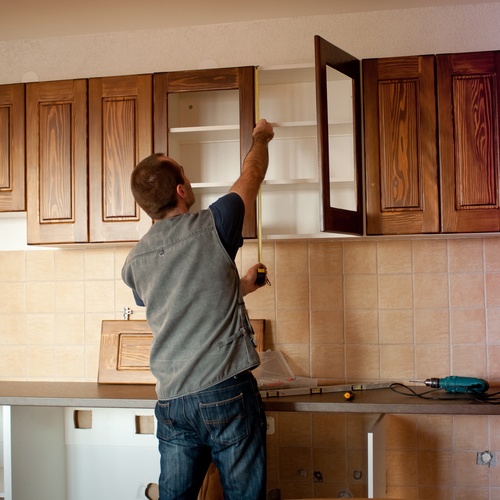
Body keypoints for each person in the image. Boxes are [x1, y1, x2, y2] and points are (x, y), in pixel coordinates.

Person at [122, 118, 274, 500]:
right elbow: (252, 174)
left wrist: (239, 287)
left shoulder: (134, 263)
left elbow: (181, 301)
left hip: (173, 402)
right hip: (226, 391)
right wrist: (261, 137)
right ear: (181, 189)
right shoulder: (215, 224)